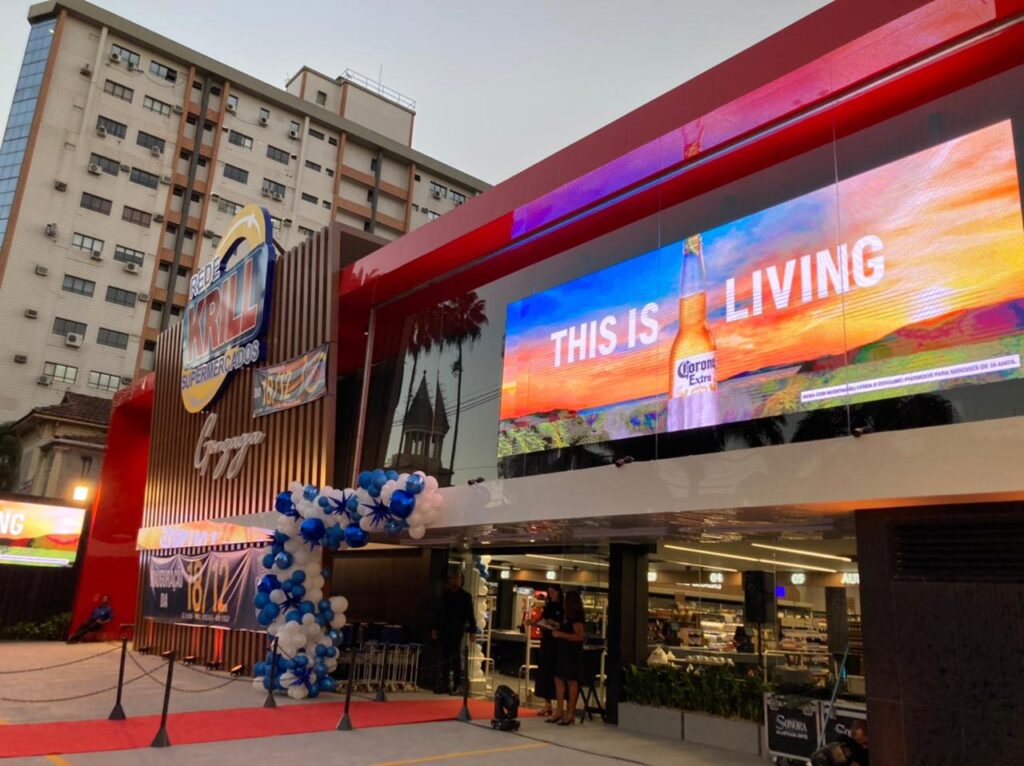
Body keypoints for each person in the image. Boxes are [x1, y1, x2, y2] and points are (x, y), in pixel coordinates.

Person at [431, 572, 477, 694]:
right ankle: (445, 683)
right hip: (444, 629)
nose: (454, 581)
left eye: (457, 579)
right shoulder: (445, 595)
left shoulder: (465, 597)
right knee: (444, 656)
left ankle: (457, 684)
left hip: (457, 629)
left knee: (455, 656)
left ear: (461, 582)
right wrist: (435, 628)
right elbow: (439, 612)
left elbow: (470, 615)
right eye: (452, 579)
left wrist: (473, 630)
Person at [549, 590, 586, 726]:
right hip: (564, 651)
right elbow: (567, 628)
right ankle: (559, 710)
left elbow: (579, 636)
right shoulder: (568, 615)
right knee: (558, 678)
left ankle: (570, 713)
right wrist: (557, 625)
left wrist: (560, 635)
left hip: (572, 653)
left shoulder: (577, 615)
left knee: (571, 681)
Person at [530, 585, 563, 717]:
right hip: (547, 641)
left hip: (558, 643)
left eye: (553, 592)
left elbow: (564, 624)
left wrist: (554, 624)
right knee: (545, 672)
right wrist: (534, 622)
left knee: (556, 673)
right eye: (549, 592)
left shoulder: (563, 608)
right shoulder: (548, 607)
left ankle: (559, 705)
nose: (551, 594)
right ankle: (547, 703)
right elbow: (539, 620)